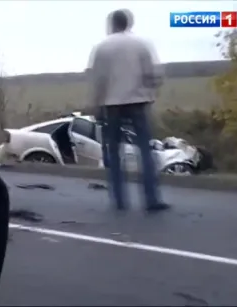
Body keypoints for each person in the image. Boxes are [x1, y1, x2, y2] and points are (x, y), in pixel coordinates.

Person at [89, 9, 170, 212]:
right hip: (138, 101)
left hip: (112, 104)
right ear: (128, 24)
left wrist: (97, 104)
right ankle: (151, 199)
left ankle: (119, 200)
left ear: (112, 24)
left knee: (114, 152)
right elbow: (155, 74)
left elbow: (98, 79)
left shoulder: (102, 48)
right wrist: (150, 92)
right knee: (145, 149)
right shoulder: (141, 44)